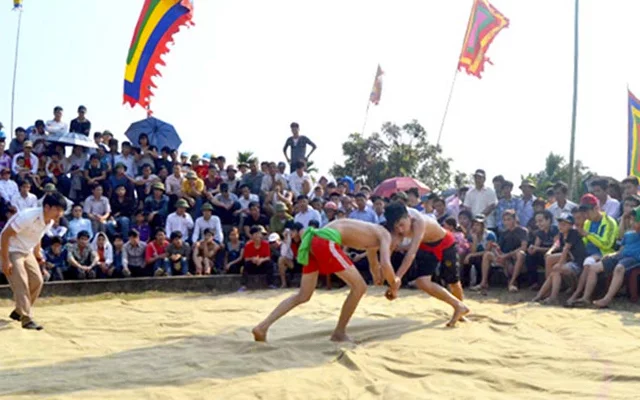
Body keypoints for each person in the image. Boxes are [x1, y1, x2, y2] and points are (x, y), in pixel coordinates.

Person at [252, 218, 399, 343]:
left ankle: (262, 327)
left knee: (303, 295)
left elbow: (375, 266)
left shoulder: (373, 237)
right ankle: (339, 333)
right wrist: (394, 285)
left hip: (314, 242)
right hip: (325, 241)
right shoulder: (384, 233)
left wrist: (380, 279)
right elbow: (386, 264)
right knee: (359, 287)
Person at [384, 202, 470, 327]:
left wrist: (397, 278)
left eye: (402, 225)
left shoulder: (418, 221)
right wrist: (390, 279)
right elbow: (390, 247)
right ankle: (458, 305)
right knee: (422, 282)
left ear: (409, 218)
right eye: (396, 227)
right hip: (426, 246)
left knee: (453, 281)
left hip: (445, 243)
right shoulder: (395, 221)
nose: (400, 230)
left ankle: (460, 311)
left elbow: (411, 253)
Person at [1, 193, 67, 330]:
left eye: (62, 210)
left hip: (27, 250)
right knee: (21, 281)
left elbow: (38, 236)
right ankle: (26, 318)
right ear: (47, 207)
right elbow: (5, 235)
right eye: (57, 209)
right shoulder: (27, 216)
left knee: (38, 280)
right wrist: (5, 260)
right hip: (12, 249)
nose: (60, 214)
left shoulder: (50, 221)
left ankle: (19, 311)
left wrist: (37, 254)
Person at [533, 213, 587, 304]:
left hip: (577, 263)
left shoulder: (572, 233)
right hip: (569, 259)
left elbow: (566, 249)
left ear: (570, 225)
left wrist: (560, 264)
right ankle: (541, 295)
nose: (561, 226)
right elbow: (557, 244)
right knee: (554, 271)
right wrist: (550, 251)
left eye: (564, 224)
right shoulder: (562, 234)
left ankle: (550, 296)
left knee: (556, 269)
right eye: (560, 224)